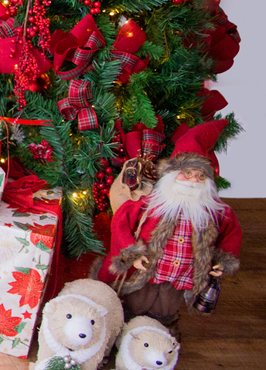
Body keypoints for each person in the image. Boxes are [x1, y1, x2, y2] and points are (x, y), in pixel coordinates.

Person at [98, 120, 242, 328]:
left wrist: (223, 259)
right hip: (147, 271)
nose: (193, 180)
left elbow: (232, 233)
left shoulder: (216, 212)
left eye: (200, 175)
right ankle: (126, 328)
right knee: (136, 302)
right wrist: (131, 252)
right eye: (187, 173)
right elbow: (121, 220)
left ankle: (160, 331)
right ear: (173, 175)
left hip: (181, 277)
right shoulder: (151, 204)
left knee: (166, 308)